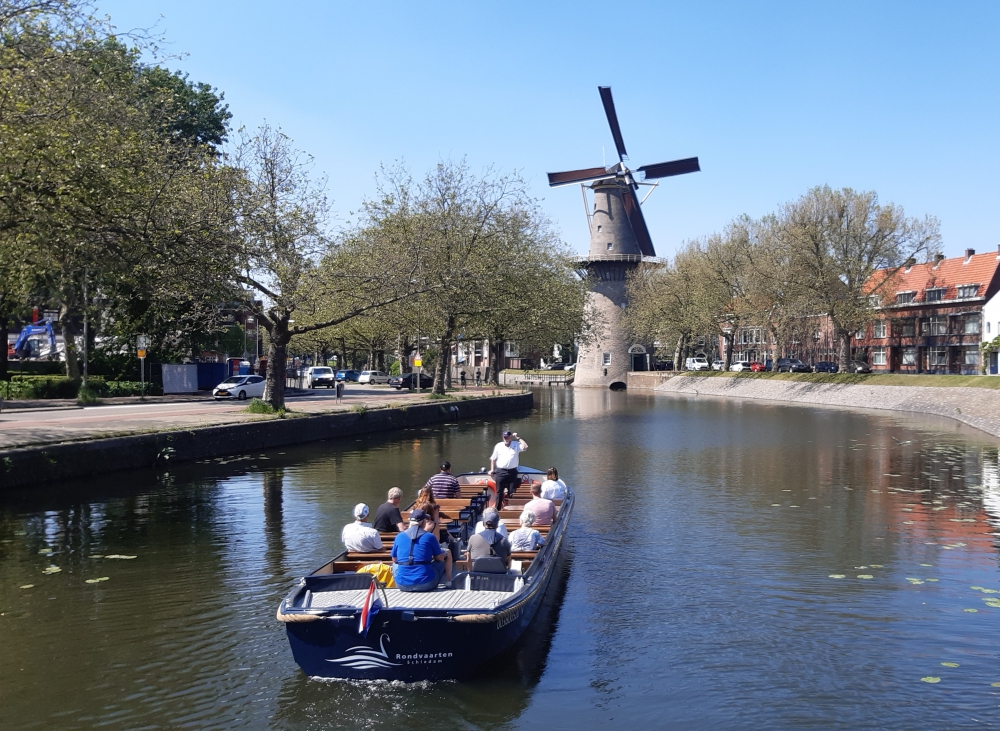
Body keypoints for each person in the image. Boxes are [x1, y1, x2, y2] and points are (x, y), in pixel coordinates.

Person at [391, 508, 452, 591]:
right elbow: (440, 558)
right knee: (446, 554)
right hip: (426, 583)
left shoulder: (399, 536)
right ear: (423, 522)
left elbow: (394, 559)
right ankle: (448, 582)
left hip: (402, 584)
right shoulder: (429, 536)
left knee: (395, 564)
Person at [489, 430, 528, 509]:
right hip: (501, 471)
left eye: (507, 437)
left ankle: (511, 510)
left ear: (510, 437)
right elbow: (493, 459)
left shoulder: (516, 444)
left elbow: (525, 446)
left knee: (512, 492)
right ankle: (497, 510)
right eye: (504, 437)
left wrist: (518, 438)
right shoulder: (498, 446)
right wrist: (492, 469)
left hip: (512, 472)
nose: (506, 438)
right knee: (499, 492)